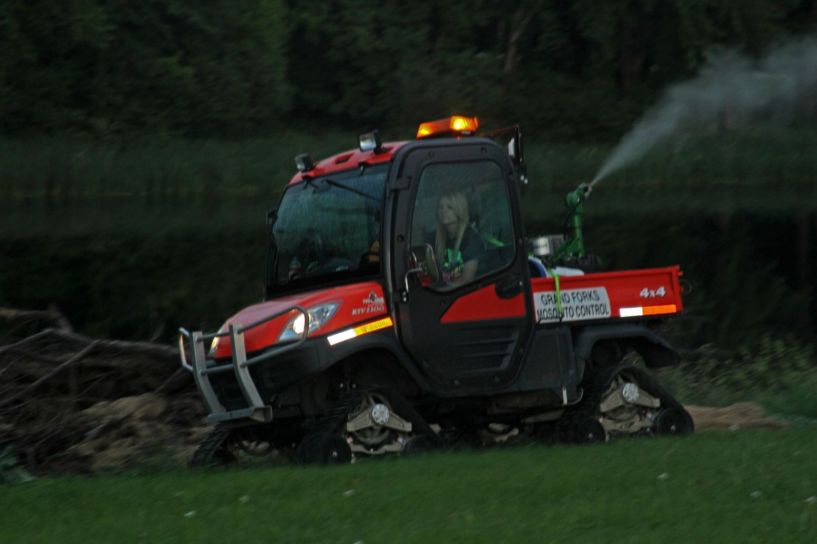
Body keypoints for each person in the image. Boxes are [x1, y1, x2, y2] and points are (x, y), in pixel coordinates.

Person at [433, 190, 484, 287]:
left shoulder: (471, 239)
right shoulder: (439, 238)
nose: (444, 210)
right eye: (441, 206)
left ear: (459, 209)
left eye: (450, 207)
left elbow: (466, 280)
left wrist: (440, 292)